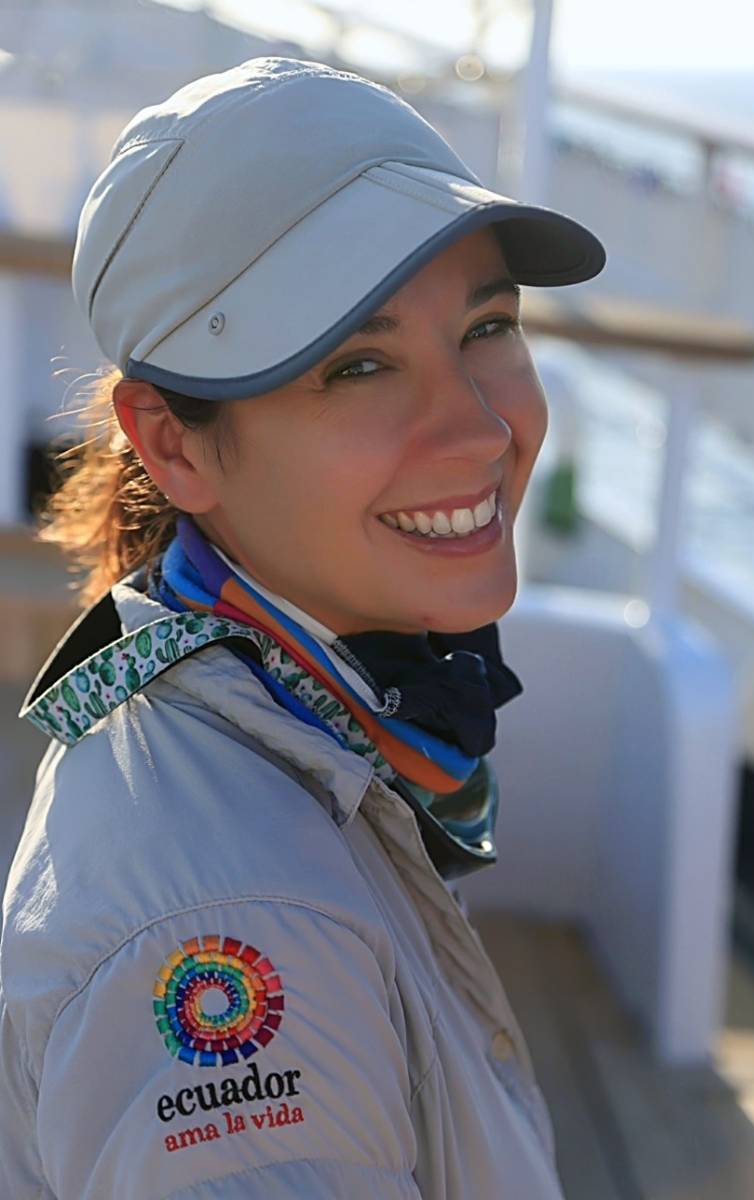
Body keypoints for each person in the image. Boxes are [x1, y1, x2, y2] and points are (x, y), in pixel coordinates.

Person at [0, 57, 605, 1199]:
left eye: (485, 325)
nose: (477, 428)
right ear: (173, 443)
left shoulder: (289, 703)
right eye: (359, 364)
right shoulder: (230, 925)